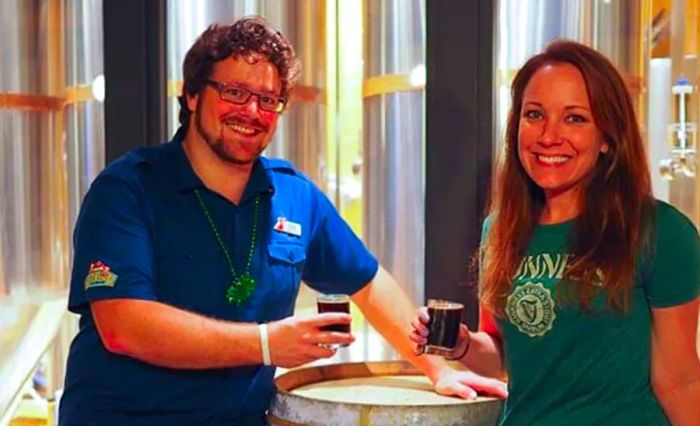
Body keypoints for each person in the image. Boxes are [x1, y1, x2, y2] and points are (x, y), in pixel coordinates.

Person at [58, 16, 506, 426]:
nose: (251, 112)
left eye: (267, 100)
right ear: (192, 95)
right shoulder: (128, 189)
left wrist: (437, 367)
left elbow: (369, 283)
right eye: (234, 92)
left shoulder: (293, 195)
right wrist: (266, 344)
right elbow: (123, 326)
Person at [411, 40, 700, 425]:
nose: (549, 136)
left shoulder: (660, 232)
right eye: (534, 115)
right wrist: (461, 345)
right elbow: (507, 354)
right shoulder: (500, 229)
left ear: (607, 138)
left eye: (575, 118)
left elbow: (679, 383)